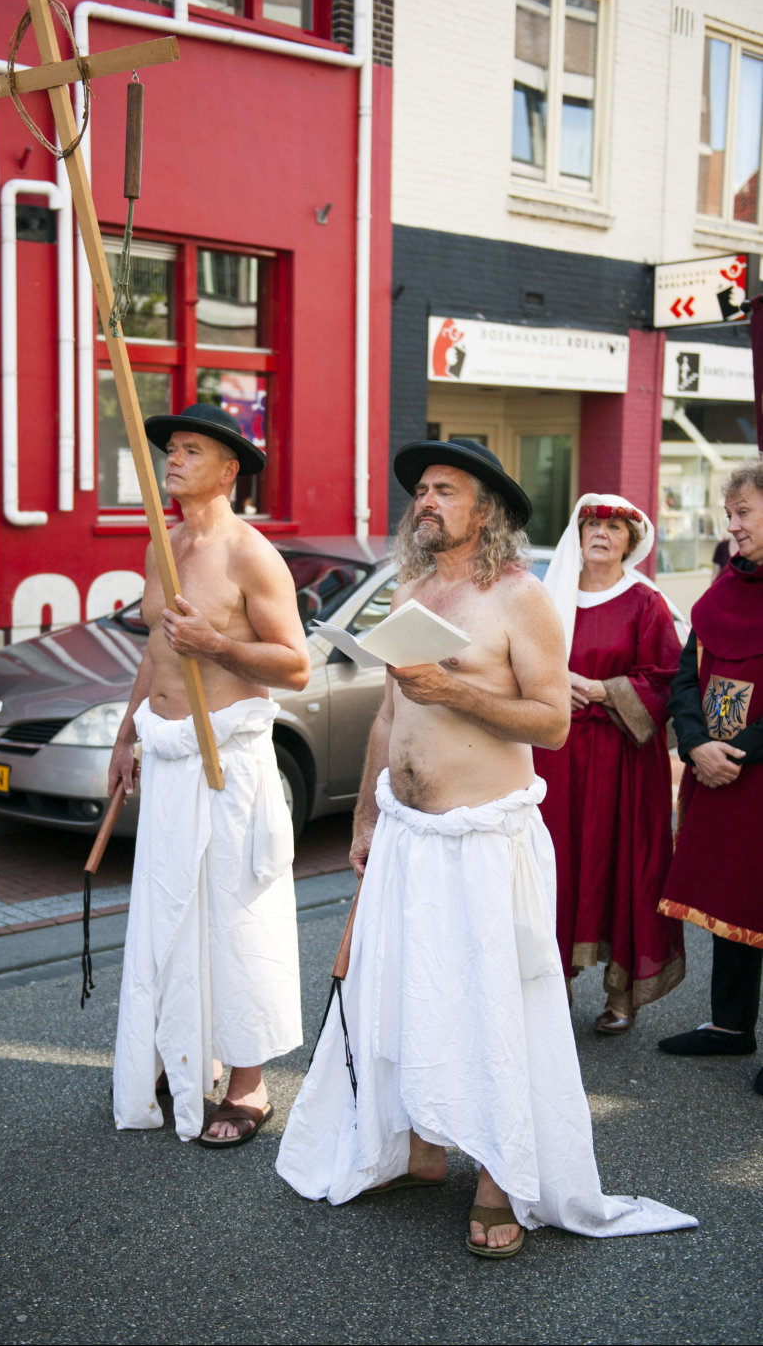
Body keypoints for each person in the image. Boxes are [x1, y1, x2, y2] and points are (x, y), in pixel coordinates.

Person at [276, 440, 697, 1257]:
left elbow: (552, 720)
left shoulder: (521, 599)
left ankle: (499, 1180)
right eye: (421, 491)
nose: (425, 502)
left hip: (483, 843)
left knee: (488, 1007)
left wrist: (453, 689)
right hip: (406, 836)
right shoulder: (413, 590)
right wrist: (367, 816)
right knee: (401, 994)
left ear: (487, 510)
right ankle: (419, 1152)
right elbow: (391, 718)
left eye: (444, 490)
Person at [108, 403, 311, 1146]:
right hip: (166, 759)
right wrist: (126, 733)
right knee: (168, 916)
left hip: (228, 767)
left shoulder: (250, 554)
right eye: (172, 449)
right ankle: (187, 1051)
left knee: (236, 917)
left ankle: (250, 1086)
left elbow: (294, 664)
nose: (173, 457)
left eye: (191, 450)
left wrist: (215, 642)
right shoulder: (161, 544)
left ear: (229, 470)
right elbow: (156, 656)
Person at [535, 495, 685, 1032]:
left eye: (613, 527)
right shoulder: (548, 596)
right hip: (557, 756)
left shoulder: (645, 602)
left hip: (622, 759)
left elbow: (666, 677)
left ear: (631, 540)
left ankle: (621, 996)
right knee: (556, 865)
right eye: (592, 524)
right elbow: (519, 661)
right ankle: (553, 988)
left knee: (623, 864)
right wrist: (557, 685)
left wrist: (601, 689)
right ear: (577, 535)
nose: (600, 534)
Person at [657, 459, 763, 1094]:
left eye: (744, 513)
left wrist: (740, 751)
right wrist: (695, 744)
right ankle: (729, 1026)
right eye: (730, 514)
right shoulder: (722, 591)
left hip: (753, 770)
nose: (733, 526)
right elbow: (684, 677)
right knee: (732, 896)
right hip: (717, 771)